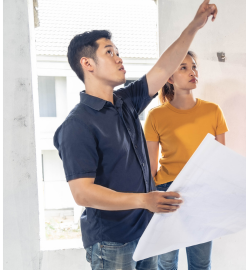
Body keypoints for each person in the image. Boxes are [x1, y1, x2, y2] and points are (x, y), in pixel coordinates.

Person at [53, 1, 218, 269]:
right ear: (87, 63)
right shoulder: (78, 124)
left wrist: (194, 26)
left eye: (117, 51)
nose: (119, 57)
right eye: (109, 52)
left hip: (144, 231)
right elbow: (83, 193)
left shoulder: (125, 102)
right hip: (111, 241)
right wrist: (144, 200)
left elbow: (164, 68)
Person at [144, 51, 228, 270]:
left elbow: (219, 161)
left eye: (193, 67)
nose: (192, 72)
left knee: (200, 263)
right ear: (170, 78)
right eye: (183, 67)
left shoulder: (213, 111)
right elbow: (151, 168)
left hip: (202, 192)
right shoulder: (155, 116)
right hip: (167, 191)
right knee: (166, 262)